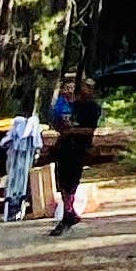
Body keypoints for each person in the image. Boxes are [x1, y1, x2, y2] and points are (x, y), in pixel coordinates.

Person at [47, 72, 102, 232]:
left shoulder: (93, 108)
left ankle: (68, 213)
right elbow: (59, 124)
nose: (83, 89)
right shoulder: (73, 105)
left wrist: (73, 131)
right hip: (64, 146)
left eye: (87, 87)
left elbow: (90, 130)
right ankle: (68, 212)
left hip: (79, 147)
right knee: (62, 179)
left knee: (72, 179)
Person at [0, 104, 44, 226]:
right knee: (15, 180)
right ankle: (12, 207)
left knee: (20, 180)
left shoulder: (27, 129)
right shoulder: (20, 128)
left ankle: (18, 206)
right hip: (17, 160)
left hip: (23, 159)